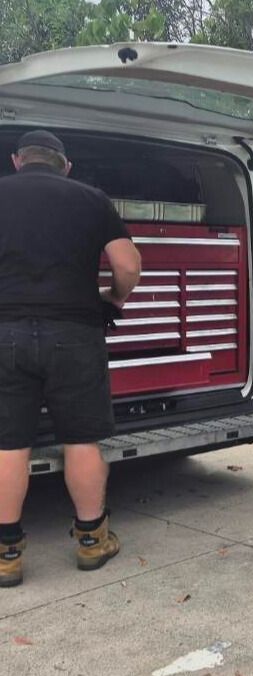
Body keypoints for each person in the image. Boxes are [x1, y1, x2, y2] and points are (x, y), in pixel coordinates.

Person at [0, 130, 142, 587]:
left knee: (7, 443)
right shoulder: (91, 199)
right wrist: (114, 298)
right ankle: (92, 541)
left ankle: (6, 555)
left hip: (5, 333)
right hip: (75, 333)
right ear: (65, 166)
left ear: (18, 160)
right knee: (81, 439)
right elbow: (128, 266)